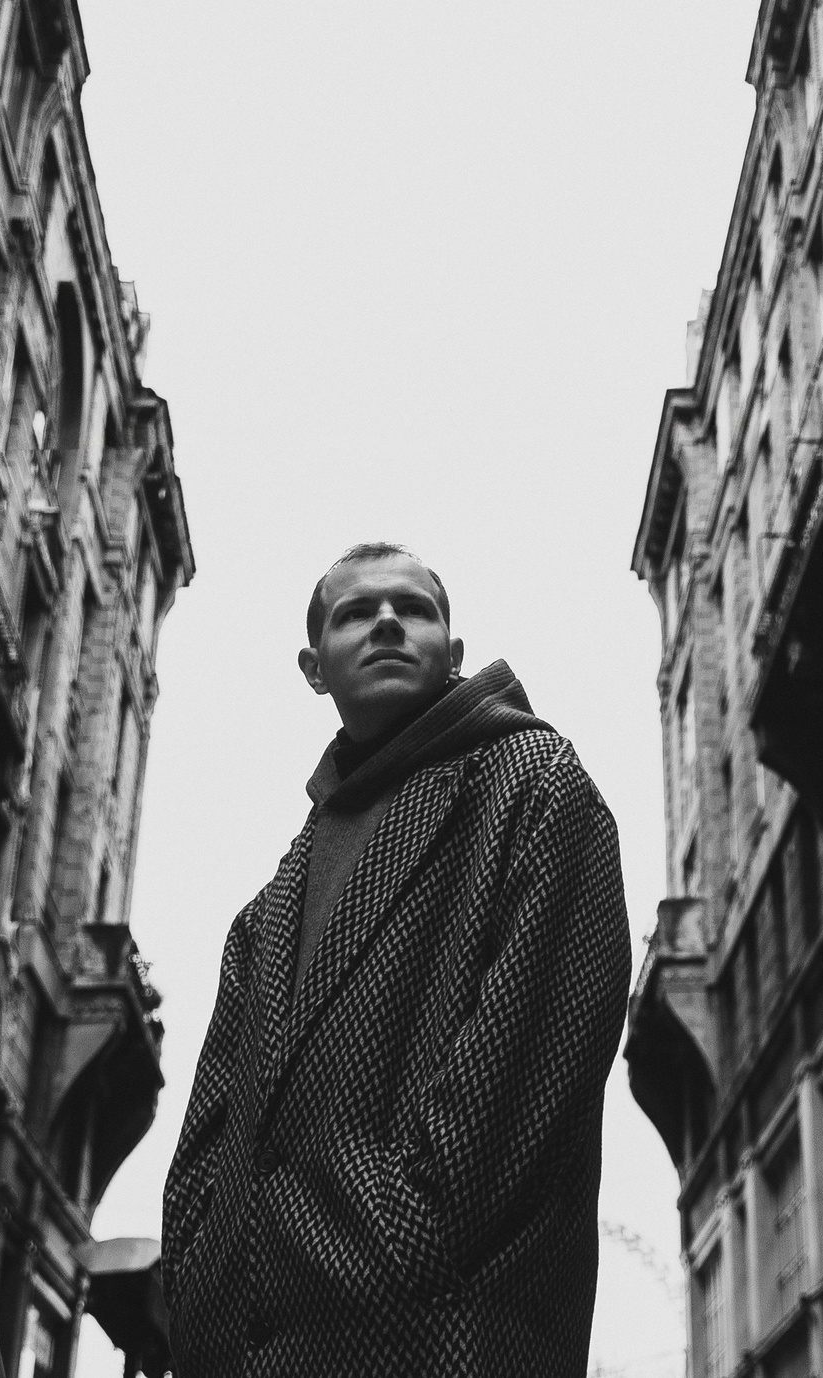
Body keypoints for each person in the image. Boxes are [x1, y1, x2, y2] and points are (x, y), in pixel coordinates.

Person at [161, 544, 629, 1376]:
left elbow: (534, 1068)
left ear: (451, 652)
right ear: (314, 668)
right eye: (355, 612)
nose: (385, 621)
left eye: (412, 609)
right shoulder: (270, 905)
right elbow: (214, 1129)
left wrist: (395, 1235)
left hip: (437, 1336)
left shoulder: (535, 785)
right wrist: (200, 1279)